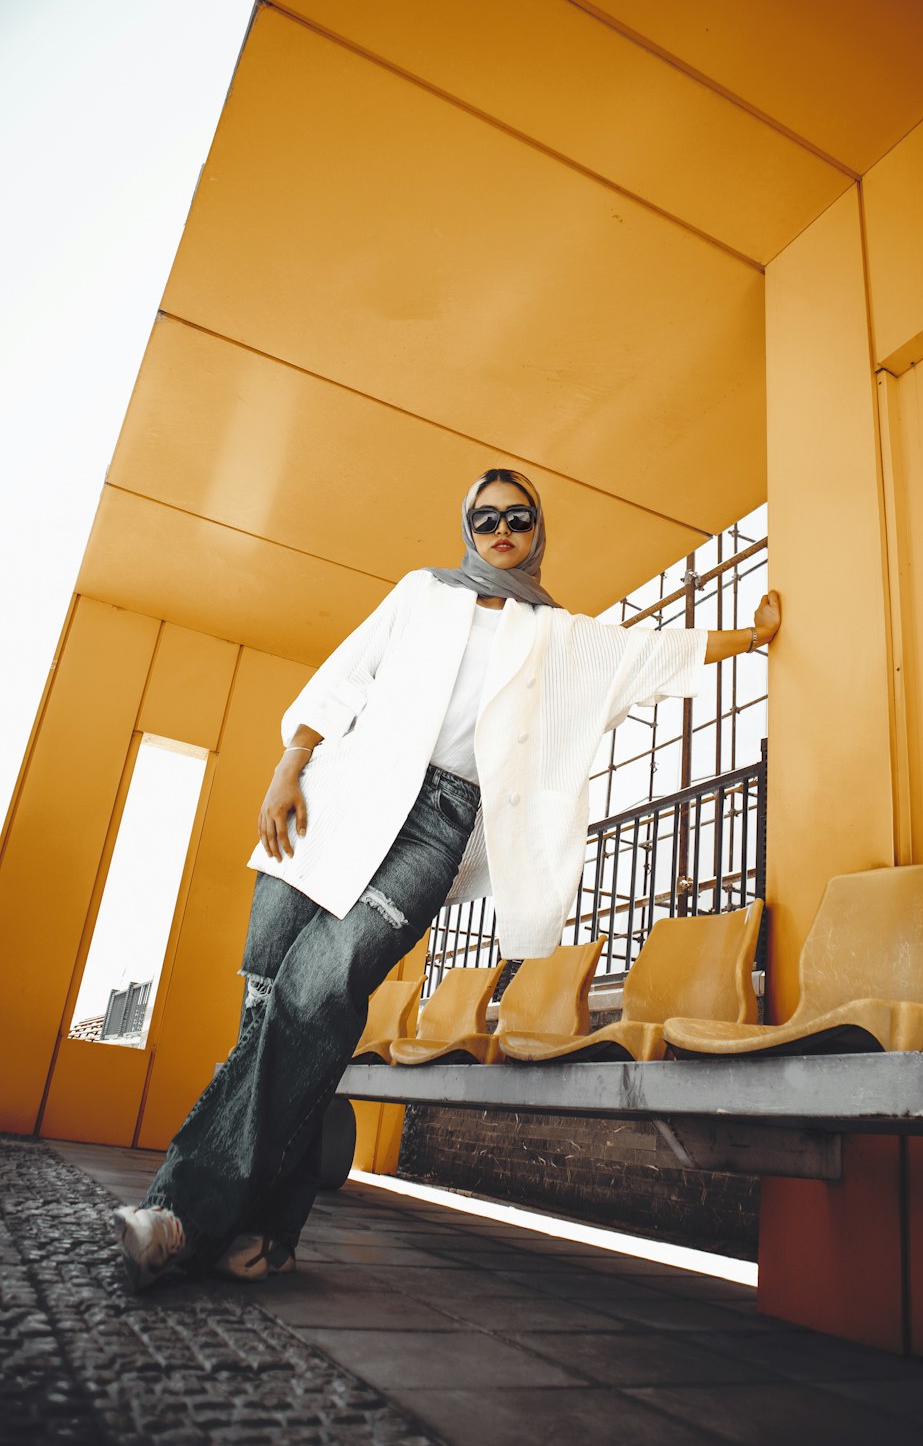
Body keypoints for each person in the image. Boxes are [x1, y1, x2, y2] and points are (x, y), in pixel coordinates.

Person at [112, 467, 781, 1290]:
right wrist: (291, 763)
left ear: (539, 530)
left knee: (315, 996)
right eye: (486, 516)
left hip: (434, 826)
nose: (502, 528)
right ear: (467, 526)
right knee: (266, 1006)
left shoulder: (560, 636)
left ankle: (179, 1216)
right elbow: (348, 672)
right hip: (335, 801)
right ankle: (266, 1226)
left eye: (519, 517)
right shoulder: (421, 593)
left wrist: (749, 639)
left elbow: (655, 654)